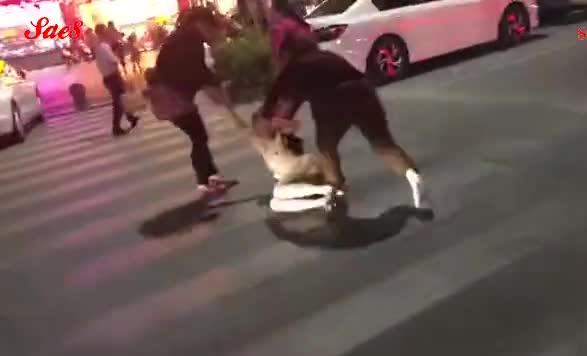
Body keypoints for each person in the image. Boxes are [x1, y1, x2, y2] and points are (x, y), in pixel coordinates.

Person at [253, 33, 431, 211]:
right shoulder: (327, 55)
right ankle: (412, 175)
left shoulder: (293, 69)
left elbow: (280, 107)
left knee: (326, 147)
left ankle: (336, 188)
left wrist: (269, 127)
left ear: (286, 54)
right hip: (363, 91)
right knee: (383, 144)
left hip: (333, 101)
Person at [149, 6, 236, 202]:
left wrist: (213, 82)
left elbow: (197, 70)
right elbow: (196, 72)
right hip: (172, 97)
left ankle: (212, 178)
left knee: (199, 136)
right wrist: (215, 82)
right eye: (209, 26)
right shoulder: (189, 39)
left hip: (172, 95)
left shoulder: (185, 37)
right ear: (200, 24)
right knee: (199, 137)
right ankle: (205, 182)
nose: (210, 32)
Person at [89, 25, 139, 137]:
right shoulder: (104, 47)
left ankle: (130, 117)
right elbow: (113, 60)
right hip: (113, 77)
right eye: (107, 32)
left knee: (121, 99)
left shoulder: (98, 47)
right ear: (104, 33)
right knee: (118, 102)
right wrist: (116, 56)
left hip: (108, 77)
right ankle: (116, 127)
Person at [269, 0, 313, 75]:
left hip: (310, 68)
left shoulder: (303, 25)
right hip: (296, 71)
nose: (302, 8)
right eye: (299, 4)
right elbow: (277, 54)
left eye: (302, 3)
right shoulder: (282, 27)